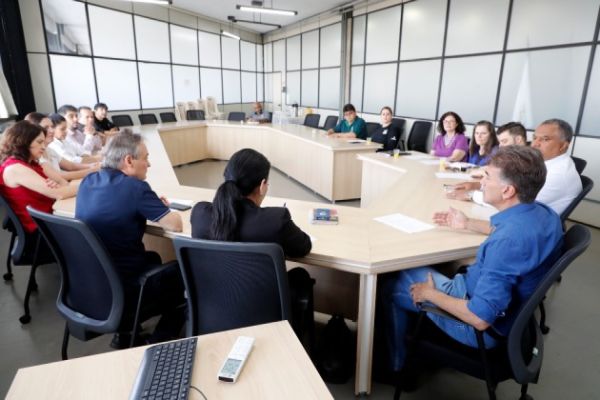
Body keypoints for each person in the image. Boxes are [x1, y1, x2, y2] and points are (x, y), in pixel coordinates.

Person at [381, 145, 563, 374]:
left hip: (479, 329)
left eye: (486, 176)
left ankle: (397, 368)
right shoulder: (544, 214)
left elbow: (479, 318)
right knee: (411, 269)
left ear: (508, 191)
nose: (481, 182)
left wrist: (429, 294)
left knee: (390, 284)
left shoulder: (508, 242)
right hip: (503, 309)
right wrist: (466, 223)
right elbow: (508, 233)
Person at [75, 131, 185, 346]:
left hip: (92, 283)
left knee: (152, 257)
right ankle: (157, 343)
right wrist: (163, 208)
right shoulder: (135, 188)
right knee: (183, 275)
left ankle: (125, 335)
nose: (149, 164)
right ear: (128, 160)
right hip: (125, 285)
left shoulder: (88, 181)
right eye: (145, 158)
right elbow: (176, 224)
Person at [446, 119, 582, 230]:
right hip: (519, 223)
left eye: (545, 139)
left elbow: (511, 200)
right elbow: (510, 183)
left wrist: (471, 196)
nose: (535, 144)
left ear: (564, 146)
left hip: (527, 230)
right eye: (535, 138)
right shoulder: (544, 162)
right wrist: (476, 185)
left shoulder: (559, 175)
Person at [191, 148, 312, 257]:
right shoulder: (276, 220)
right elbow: (303, 247)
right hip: (259, 282)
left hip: (211, 281)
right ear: (262, 186)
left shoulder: (199, 213)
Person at [0, 121, 77, 234]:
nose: (44, 146)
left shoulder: (30, 163)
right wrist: (86, 185)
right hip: (42, 228)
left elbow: (59, 187)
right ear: (23, 142)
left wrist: (55, 188)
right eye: (40, 142)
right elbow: (59, 193)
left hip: (50, 217)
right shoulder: (15, 168)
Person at [24, 112, 98, 182]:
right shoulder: (37, 154)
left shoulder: (49, 149)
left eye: (52, 127)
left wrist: (92, 166)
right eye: (46, 127)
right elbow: (60, 176)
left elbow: (70, 165)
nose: (52, 130)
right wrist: (92, 170)